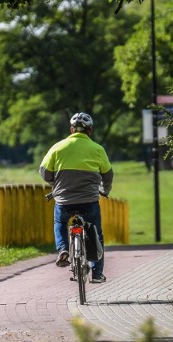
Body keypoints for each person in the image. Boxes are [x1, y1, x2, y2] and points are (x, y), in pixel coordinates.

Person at [39, 112, 114, 283]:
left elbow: (44, 172)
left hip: (64, 200)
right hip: (89, 200)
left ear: (71, 129)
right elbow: (108, 175)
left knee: (60, 222)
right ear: (90, 130)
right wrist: (105, 190)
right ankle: (96, 274)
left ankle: (63, 250)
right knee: (96, 233)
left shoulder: (58, 147)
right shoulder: (97, 149)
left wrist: (55, 184)